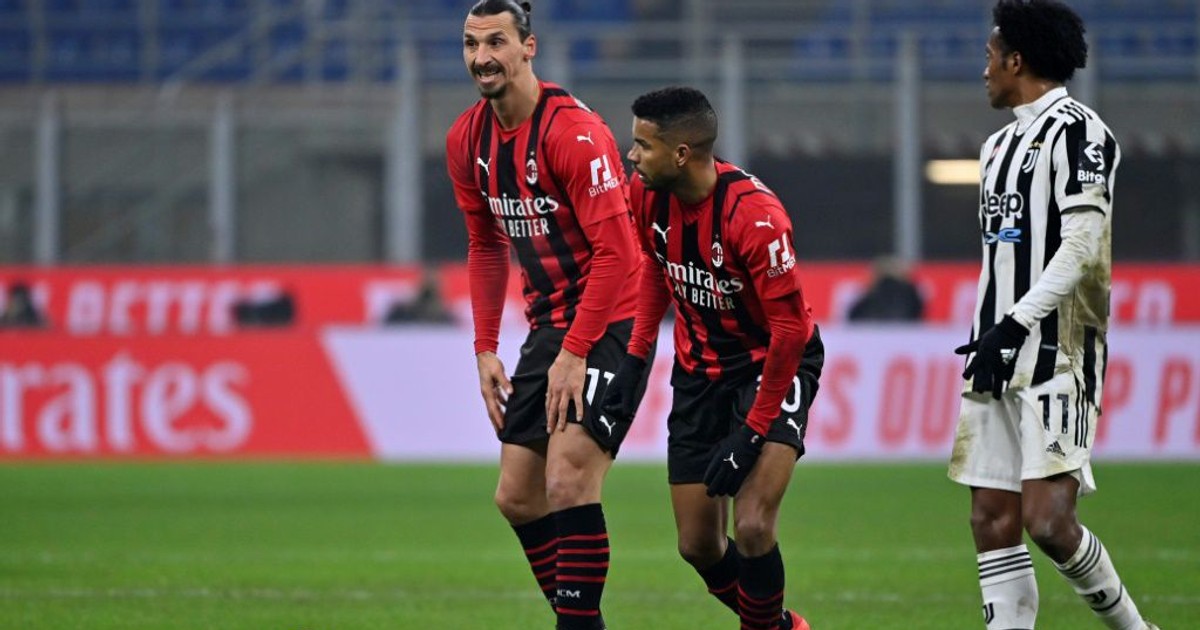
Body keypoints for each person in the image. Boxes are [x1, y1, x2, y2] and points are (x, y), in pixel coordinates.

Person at [948, 2, 1157, 629]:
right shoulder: (996, 147)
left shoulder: (1081, 133)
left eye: (990, 57)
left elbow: (1081, 245)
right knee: (991, 518)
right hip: (995, 350)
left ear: (1016, 61)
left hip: (1057, 352)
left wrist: (1017, 323)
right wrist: (992, 331)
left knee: (1049, 523)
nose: (984, 70)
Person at [444, 2, 646, 628]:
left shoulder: (572, 135)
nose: (482, 58)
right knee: (517, 497)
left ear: (528, 47)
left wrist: (576, 352)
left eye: (496, 42)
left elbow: (620, 254)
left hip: (615, 319)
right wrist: (485, 347)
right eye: (472, 44)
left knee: (567, 482)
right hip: (551, 325)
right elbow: (485, 246)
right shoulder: (466, 140)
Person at [601, 86, 821, 630]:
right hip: (699, 373)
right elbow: (656, 268)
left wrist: (752, 431)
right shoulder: (644, 194)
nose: (631, 155)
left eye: (642, 145)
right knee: (697, 543)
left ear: (681, 154)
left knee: (752, 526)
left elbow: (791, 330)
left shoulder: (755, 218)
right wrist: (635, 360)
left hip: (770, 367)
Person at [846, 256, 924, 322]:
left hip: (874, 331)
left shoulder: (871, 297)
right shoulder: (910, 295)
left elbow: (854, 318)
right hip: (901, 331)